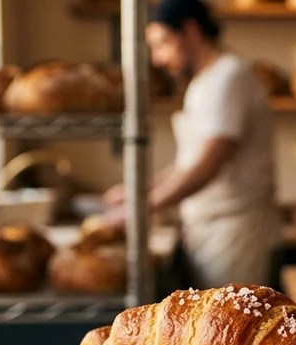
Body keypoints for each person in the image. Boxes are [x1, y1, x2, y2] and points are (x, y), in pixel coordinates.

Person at [102, 0, 278, 289]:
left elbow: (209, 162)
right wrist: (140, 191)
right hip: (210, 228)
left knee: (231, 317)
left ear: (191, 31)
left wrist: (142, 207)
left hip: (233, 233)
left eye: (163, 43)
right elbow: (189, 162)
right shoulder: (204, 82)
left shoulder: (228, 77)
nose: (158, 59)